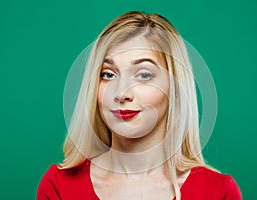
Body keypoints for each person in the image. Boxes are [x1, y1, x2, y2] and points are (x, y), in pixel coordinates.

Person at [37, 11, 242, 200]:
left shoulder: (218, 192)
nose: (121, 93)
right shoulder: (58, 185)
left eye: (144, 75)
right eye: (108, 74)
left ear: (175, 88)